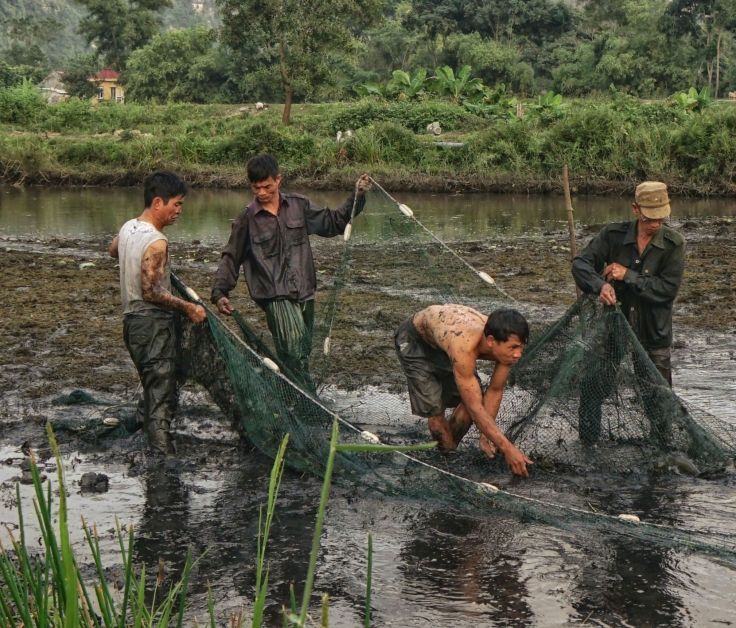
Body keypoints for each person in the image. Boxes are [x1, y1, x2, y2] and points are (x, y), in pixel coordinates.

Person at [211, 154, 371, 384]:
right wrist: (220, 292)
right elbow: (231, 256)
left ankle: (292, 398)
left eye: (267, 187)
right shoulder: (247, 219)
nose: (262, 193)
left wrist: (357, 195)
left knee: (300, 354)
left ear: (278, 180)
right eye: (256, 188)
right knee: (294, 352)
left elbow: (334, 222)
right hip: (275, 296)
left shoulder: (298, 205)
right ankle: (309, 406)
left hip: (305, 291)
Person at [571, 181, 685, 444]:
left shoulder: (673, 244)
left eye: (660, 218)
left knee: (657, 398)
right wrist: (599, 285)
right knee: (592, 388)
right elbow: (581, 264)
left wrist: (627, 275)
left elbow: (666, 290)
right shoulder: (612, 236)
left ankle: (662, 450)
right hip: (614, 328)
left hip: (653, 332)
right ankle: (588, 446)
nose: (655, 223)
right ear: (635, 210)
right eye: (648, 218)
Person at [109, 171, 207, 454]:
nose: (179, 211)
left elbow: (112, 249)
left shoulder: (129, 227)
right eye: (176, 204)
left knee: (153, 387)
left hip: (132, 326)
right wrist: (189, 307)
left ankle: (143, 440)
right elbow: (151, 292)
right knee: (161, 397)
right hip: (152, 327)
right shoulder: (157, 242)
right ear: (157, 203)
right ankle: (161, 462)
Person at [394, 305, 533, 477]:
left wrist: (486, 436)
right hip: (416, 340)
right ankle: (448, 467)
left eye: (521, 347)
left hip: (446, 341)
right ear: (491, 341)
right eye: (513, 348)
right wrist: (508, 449)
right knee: (435, 411)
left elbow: (495, 390)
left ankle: (448, 452)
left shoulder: (506, 343)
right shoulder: (465, 348)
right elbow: (475, 407)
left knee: (473, 399)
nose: (518, 354)